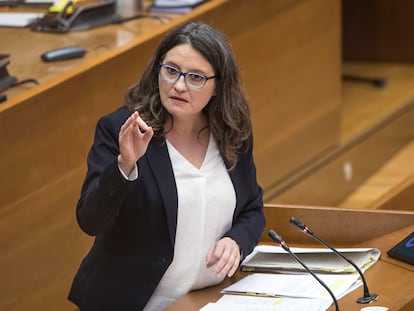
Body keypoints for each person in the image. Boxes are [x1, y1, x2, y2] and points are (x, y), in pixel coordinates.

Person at [68, 21, 265, 311]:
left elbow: (252, 209)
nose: (179, 85)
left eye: (196, 77)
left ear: (218, 86)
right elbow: (90, 220)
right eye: (171, 71)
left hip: (205, 301)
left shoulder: (232, 134)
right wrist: (125, 165)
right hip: (135, 303)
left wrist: (236, 241)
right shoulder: (121, 129)